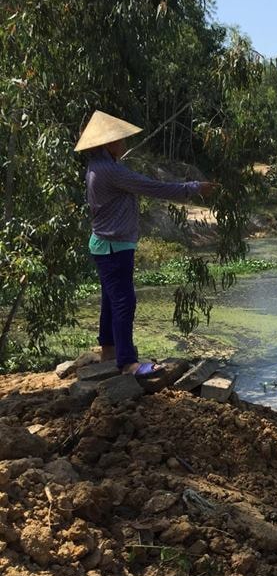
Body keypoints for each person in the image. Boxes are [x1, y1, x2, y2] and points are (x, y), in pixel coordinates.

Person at [74, 110, 216, 378]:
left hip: (105, 244)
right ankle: (127, 363)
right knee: (124, 302)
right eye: (120, 139)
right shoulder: (110, 171)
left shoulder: (97, 167)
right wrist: (195, 187)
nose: (124, 144)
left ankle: (108, 350)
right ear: (107, 143)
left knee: (111, 300)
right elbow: (153, 187)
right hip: (114, 246)